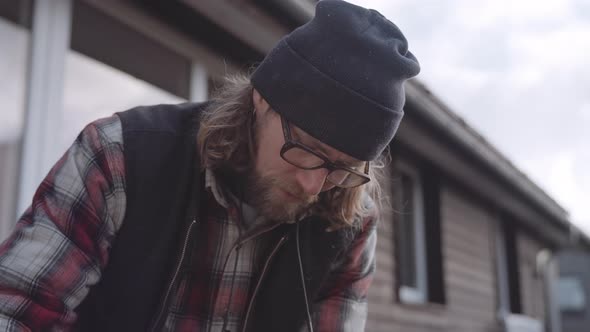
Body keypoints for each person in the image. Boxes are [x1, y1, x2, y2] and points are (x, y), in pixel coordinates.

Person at [0, 0, 419, 331]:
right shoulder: (121, 156)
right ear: (261, 99)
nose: (313, 184)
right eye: (305, 148)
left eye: (342, 167)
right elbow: (16, 308)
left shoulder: (349, 216)